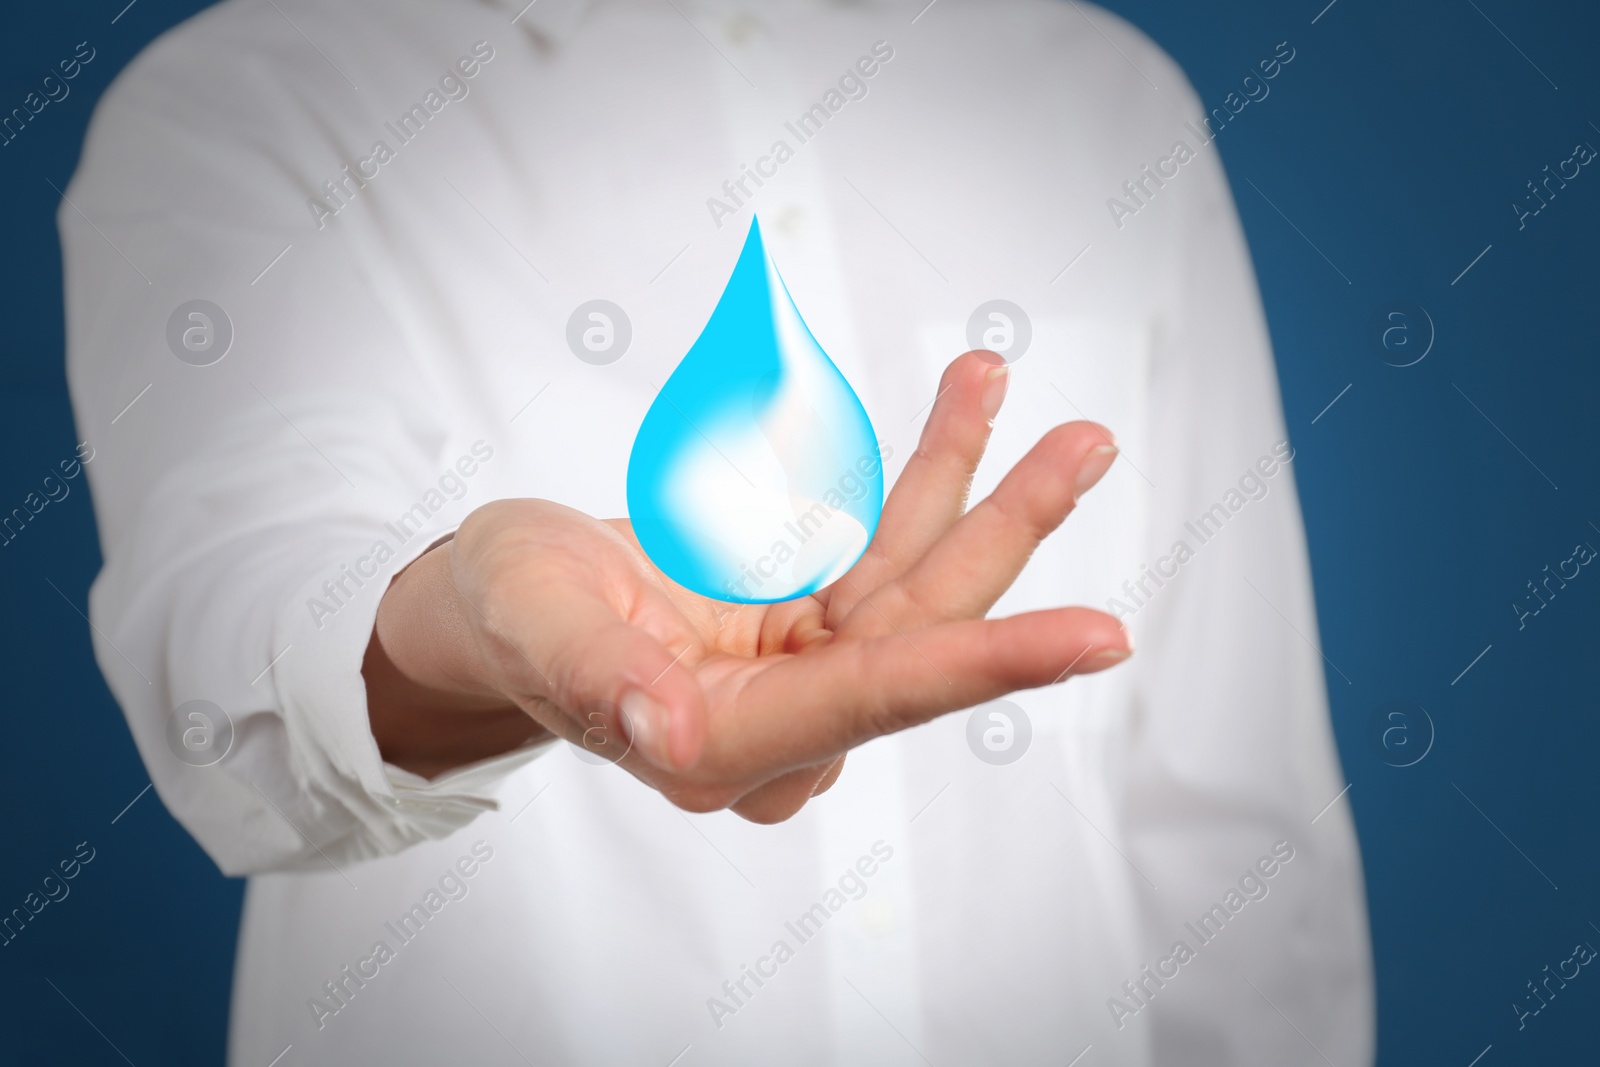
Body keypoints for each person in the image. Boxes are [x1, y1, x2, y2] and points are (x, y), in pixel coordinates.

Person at [60, 0, 1372, 1063]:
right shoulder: (256, 93)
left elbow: (1230, 824)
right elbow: (236, 646)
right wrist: (475, 629)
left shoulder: (1103, 104)